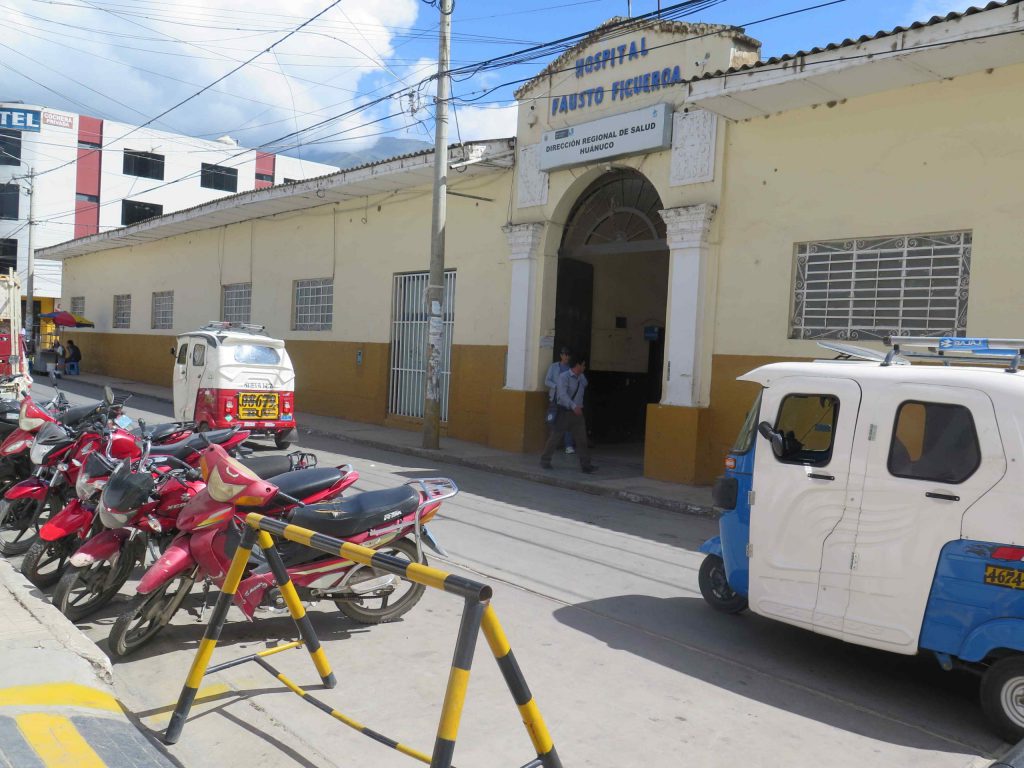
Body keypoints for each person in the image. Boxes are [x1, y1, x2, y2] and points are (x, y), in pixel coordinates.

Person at [540, 356, 597, 474]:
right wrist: (573, 406)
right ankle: (545, 460)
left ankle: (586, 465)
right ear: (577, 365)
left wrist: (580, 375)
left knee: (582, 439)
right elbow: (562, 395)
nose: (584, 367)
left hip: (577, 414)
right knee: (555, 437)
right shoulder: (564, 377)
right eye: (583, 365)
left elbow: (585, 384)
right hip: (564, 412)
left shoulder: (581, 377)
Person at [543, 347, 576, 453]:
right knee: (553, 420)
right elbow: (547, 381)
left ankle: (568, 445)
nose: (566, 357)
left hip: (567, 399)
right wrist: (556, 386)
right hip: (555, 398)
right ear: (561, 355)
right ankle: (553, 444)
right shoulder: (554, 367)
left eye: (568, 355)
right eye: (564, 354)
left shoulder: (571, 369)